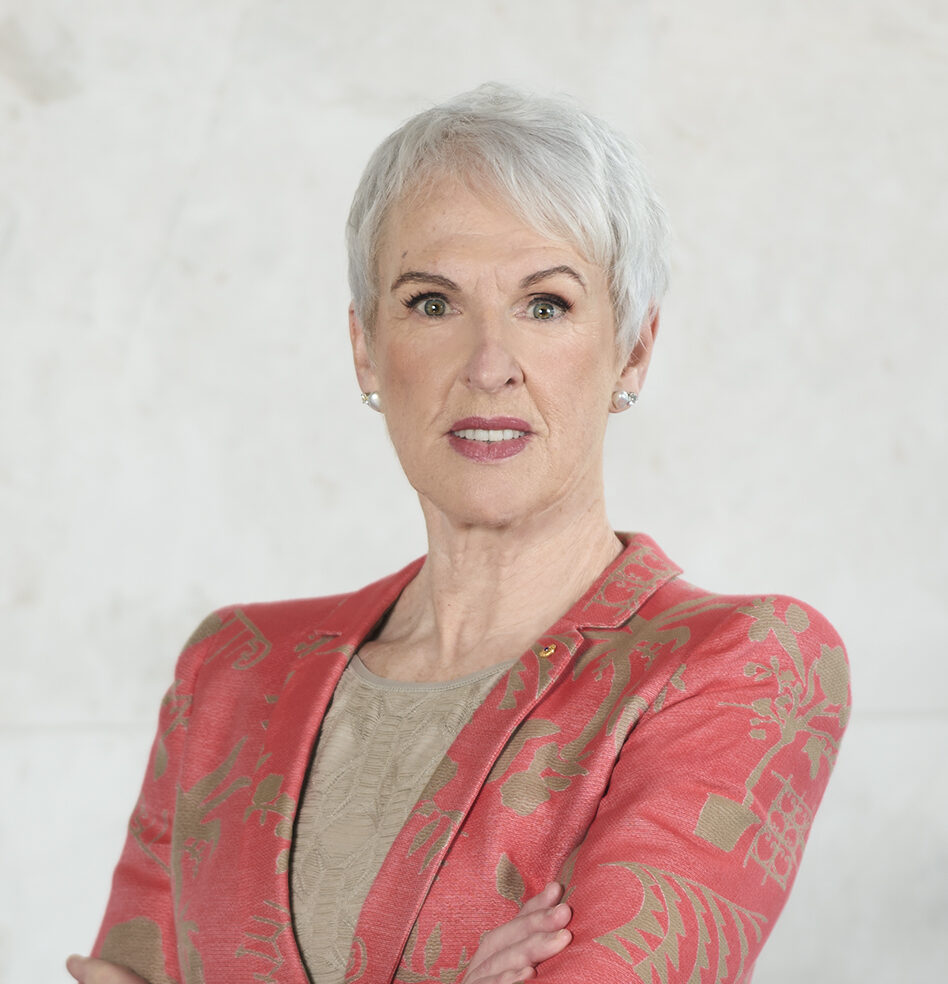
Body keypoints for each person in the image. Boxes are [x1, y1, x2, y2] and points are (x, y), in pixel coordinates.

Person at [67, 84, 850, 984]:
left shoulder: (741, 665)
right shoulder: (230, 672)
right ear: (366, 348)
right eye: (432, 304)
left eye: (545, 304)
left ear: (632, 348)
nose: (488, 366)